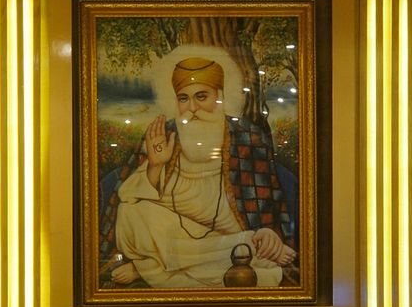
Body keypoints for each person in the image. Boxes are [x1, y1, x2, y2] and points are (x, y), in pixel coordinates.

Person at [98, 49, 295, 289]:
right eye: (183, 98)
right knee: (130, 213)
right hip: (173, 232)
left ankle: (149, 267)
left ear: (220, 96)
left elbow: (267, 201)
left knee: (258, 245)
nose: (192, 107)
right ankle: (243, 248)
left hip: (227, 229)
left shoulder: (246, 137)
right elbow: (128, 197)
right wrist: (156, 164)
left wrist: (269, 233)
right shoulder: (165, 133)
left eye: (201, 96)